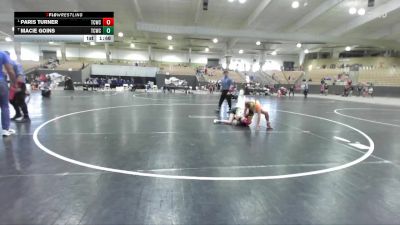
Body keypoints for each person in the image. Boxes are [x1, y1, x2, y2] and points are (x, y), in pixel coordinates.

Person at [0, 51, 17, 136]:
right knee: (4, 106)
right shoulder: (2, 54)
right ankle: (5, 129)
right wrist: (13, 83)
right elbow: (10, 71)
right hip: (1, 82)